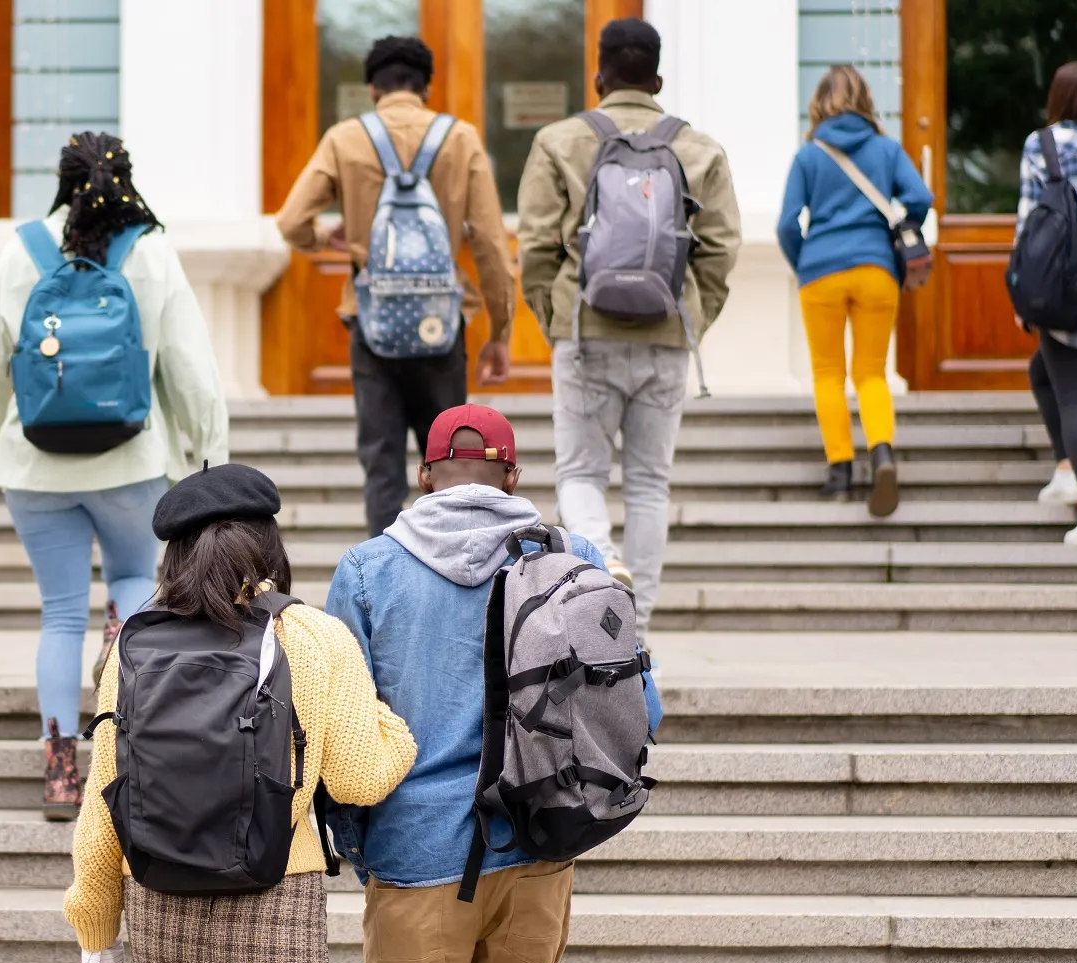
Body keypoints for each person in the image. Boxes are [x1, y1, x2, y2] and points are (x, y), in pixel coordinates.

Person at [326, 404, 662, 963]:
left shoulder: (366, 571)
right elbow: (640, 706)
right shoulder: (576, 557)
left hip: (417, 849)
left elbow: (346, 732)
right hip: (540, 842)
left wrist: (361, 846)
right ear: (513, 476)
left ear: (424, 475)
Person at [65, 464, 417, 963]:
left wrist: (98, 938)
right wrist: (391, 723)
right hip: (272, 899)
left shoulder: (133, 645)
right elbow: (361, 778)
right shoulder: (309, 635)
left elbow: (103, 803)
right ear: (268, 544)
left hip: (160, 897)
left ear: (174, 555)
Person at [0, 132, 230, 821]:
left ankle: (58, 771)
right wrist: (210, 455)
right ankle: (125, 737)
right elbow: (190, 366)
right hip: (133, 460)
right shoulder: (150, 249)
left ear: (61, 180)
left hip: (36, 462)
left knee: (60, 612)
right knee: (137, 585)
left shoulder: (21, 249)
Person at [518, 17, 741, 643]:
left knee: (581, 474)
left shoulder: (560, 140)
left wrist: (556, 316)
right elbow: (721, 251)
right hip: (667, 336)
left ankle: (598, 577)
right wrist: (692, 315)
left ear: (600, 75)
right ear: (658, 79)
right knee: (648, 481)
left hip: (584, 331)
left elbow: (535, 245)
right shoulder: (700, 149)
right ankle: (634, 624)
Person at [276, 35, 517, 537]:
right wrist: (500, 330)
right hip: (442, 323)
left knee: (383, 464)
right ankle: (458, 573)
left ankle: (383, 584)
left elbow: (292, 221)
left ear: (372, 89)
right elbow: (492, 244)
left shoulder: (345, 138)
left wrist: (326, 235)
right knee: (456, 461)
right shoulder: (461, 138)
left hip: (373, 321)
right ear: (425, 87)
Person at [777, 65, 932, 515]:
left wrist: (804, 260)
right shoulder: (885, 148)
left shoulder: (809, 155)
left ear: (820, 103)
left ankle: (840, 473)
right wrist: (902, 229)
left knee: (828, 373)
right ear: (866, 100)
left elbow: (787, 222)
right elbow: (920, 196)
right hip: (876, 270)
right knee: (871, 372)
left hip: (820, 272)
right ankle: (882, 453)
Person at [1017, 59, 1077, 546]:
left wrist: (1024, 297)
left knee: (1074, 396)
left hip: (1065, 291)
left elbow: (1028, 227)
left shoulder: (1044, 145)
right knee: (1043, 373)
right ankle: (1066, 470)